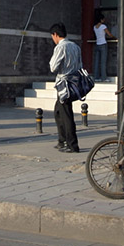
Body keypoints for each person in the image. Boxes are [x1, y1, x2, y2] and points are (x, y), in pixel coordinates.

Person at [49, 22, 81, 152]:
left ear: (55, 35)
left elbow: (53, 67)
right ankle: (62, 140)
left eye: (52, 36)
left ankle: (72, 144)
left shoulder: (60, 47)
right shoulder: (75, 46)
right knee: (58, 111)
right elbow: (80, 65)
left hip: (64, 84)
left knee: (66, 114)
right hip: (74, 82)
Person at [92, 12, 114, 81]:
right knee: (103, 62)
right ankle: (103, 78)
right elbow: (109, 34)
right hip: (103, 44)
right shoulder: (103, 26)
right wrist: (115, 37)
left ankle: (96, 77)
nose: (104, 20)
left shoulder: (94, 27)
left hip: (97, 44)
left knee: (96, 62)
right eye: (103, 19)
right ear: (101, 20)